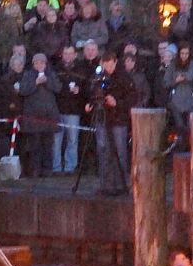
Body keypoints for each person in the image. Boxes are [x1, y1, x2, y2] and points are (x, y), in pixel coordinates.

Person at [84, 52, 129, 196]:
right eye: (105, 65)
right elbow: (93, 92)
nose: (107, 68)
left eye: (109, 64)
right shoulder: (98, 77)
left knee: (119, 151)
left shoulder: (124, 77)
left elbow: (132, 97)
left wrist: (117, 103)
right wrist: (90, 103)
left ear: (115, 62)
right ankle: (105, 184)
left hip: (117, 119)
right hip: (102, 117)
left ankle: (120, 184)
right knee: (103, 150)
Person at [19, 53, 62, 178]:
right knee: (35, 145)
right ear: (33, 64)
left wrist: (47, 81)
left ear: (45, 63)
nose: (39, 65)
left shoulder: (51, 74)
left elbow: (58, 88)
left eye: (42, 62)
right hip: (33, 118)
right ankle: (35, 170)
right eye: (37, 63)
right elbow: (23, 90)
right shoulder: (28, 75)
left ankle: (47, 169)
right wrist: (35, 83)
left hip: (49, 117)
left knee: (48, 145)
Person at [164, 44, 193, 146]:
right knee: (180, 130)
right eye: (182, 53)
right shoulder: (173, 66)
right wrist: (175, 81)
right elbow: (165, 83)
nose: (184, 56)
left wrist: (190, 78)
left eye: (186, 53)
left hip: (192, 103)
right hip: (176, 104)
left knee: (192, 130)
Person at [55, 45, 87, 175]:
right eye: (65, 53)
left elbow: (86, 88)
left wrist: (79, 90)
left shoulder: (81, 69)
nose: (68, 56)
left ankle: (70, 167)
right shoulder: (56, 69)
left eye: (70, 53)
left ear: (75, 55)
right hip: (58, 108)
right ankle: (55, 167)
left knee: (72, 140)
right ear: (62, 54)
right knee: (56, 140)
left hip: (74, 109)